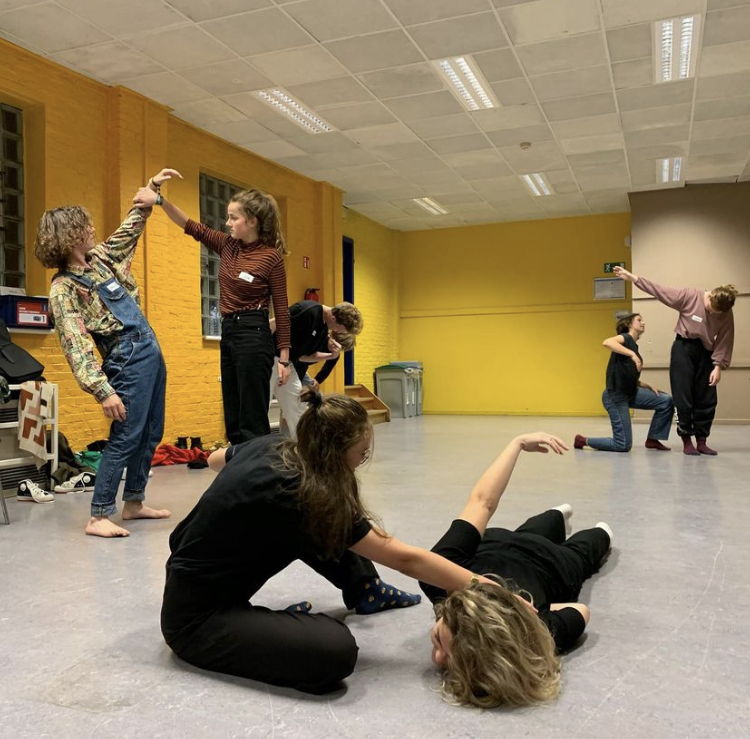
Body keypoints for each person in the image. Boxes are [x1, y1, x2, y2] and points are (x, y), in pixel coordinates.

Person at [162, 390, 492, 695]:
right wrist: (485, 587)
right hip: (195, 622)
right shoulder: (304, 494)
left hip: (186, 576)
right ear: (335, 452)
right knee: (336, 652)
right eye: (361, 453)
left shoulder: (274, 445)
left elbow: (215, 459)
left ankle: (366, 589)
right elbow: (405, 560)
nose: (361, 461)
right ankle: (259, 624)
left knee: (325, 523)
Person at [419, 433, 612, 708]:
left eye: (439, 641)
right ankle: (560, 516)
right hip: (545, 560)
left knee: (564, 534)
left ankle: (559, 515)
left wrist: (517, 443)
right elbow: (480, 503)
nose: (437, 660)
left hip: (532, 554)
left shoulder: (438, 574)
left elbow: (482, 501)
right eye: (449, 655)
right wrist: (516, 443)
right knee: (592, 538)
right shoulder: (530, 631)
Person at [34, 173, 172, 538]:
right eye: (85, 226)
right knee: (126, 435)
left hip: (149, 348)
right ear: (69, 236)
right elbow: (75, 345)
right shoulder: (64, 288)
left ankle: (134, 502)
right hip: (126, 357)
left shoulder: (100, 260)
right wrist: (102, 390)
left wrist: (151, 191)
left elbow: (128, 232)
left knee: (151, 431)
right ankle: (98, 515)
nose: (93, 229)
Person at [156, 171, 291, 444]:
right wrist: (159, 200)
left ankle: (257, 466)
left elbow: (282, 308)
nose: (227, 223)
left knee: (251, 415)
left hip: (254, 333)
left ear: (252, 221)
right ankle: (238, 464)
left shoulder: (271, 257)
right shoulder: (228, 246)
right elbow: (191, 226)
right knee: (233, 413)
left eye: (233, 217)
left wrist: (284, 359)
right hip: (229, 331)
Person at [613, 266, 737, 455]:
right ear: (710, 296)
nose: (713, 314)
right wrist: (633, 278)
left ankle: (702, 441)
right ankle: (687, 440)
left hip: (706, 352)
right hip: (683, 348)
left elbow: (725, 338)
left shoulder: (725, 312)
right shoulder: (690, 296)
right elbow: (660, 291)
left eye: (717, 313)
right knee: (683, 395)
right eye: (711, 309)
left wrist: (718, 366)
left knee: (707, 397)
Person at [574, 312, 674, 452]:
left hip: (630, 393)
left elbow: (627, 376)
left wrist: (648, 385)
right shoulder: (626, 339)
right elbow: (607, 342)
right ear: (629, 324)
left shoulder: (633, 346)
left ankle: (653, 439)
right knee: (623, 445)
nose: (643, 322)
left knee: (665, 401)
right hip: (615, 396)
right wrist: (632, 354)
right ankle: (583, 440)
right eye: (639, 320)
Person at [269, 300, 363, 440]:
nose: (337, 333)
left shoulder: (323, 328)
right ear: (333, 318)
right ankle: (252, 447)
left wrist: (331, 356)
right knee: (261, 405)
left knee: (298, 405)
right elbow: (273, 324)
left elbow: (304, 356)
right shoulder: (307, 310)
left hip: (289, 364)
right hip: (270, 358)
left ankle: (304, 445)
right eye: (339, 329)